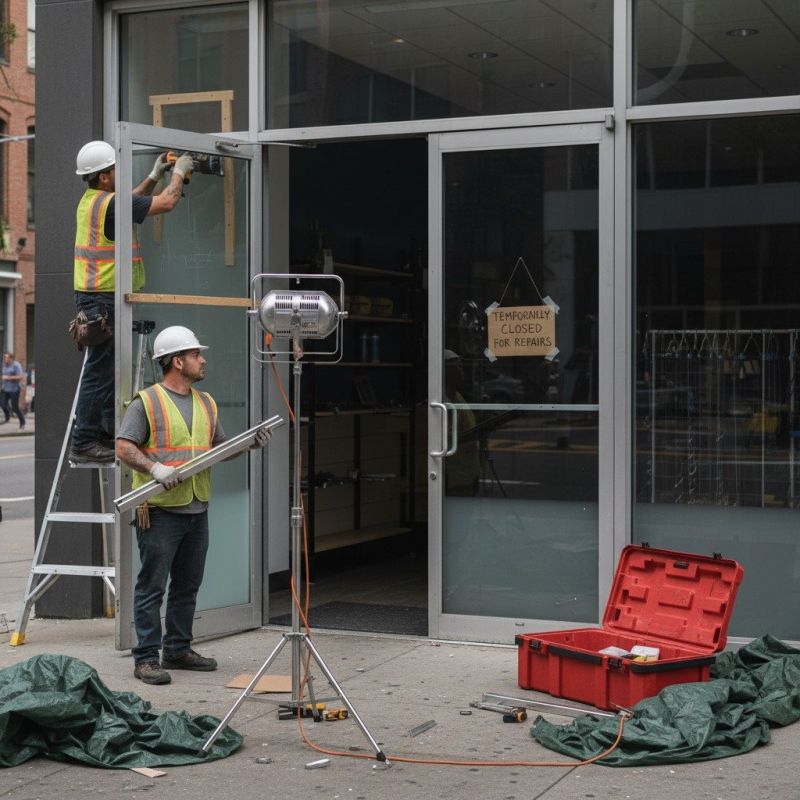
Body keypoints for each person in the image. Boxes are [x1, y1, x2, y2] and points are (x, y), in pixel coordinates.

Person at [116, 326, 271, 685]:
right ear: (176, 361)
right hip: (159, 509)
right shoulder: (147, 402)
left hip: (196, 506)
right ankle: (146, 658)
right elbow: (124, 447)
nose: (202, 360)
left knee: (187, 585)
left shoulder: (206, 402)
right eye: (196, 354)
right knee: (152, 587)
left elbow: (219, 449)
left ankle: (177, 650)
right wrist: (154, 469)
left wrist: (249, 444)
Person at [70, 141, 195, 464]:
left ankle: (101, 434)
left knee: (106, 369)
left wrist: (154, 175)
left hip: (96, 296)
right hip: (102, 298)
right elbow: (167, 202)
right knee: (100, 371)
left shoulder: (94, 200)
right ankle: (84, 441)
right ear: (104, 176)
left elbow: (130, 203)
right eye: (115, 169)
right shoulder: (109, 204)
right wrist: (179, 173)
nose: (119, 173)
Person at [443, 349, 481, 496]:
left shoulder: (457, 396)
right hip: (453, 476)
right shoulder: (440, 402)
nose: (461, 372)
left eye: (461, 367)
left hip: (469, 472)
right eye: (456, 368)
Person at [1, 352, 26, 429]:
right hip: (5, 389)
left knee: (15, 408)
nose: (5, 359)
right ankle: (7, 418)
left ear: (11, 358)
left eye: (6, 357)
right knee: (2, 404)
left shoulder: (16, 365)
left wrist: (8, 378)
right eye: (4, 357)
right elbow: (3, 377)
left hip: (14, 390)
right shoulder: (5, 365)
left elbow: (20, 376)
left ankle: (22, 422)